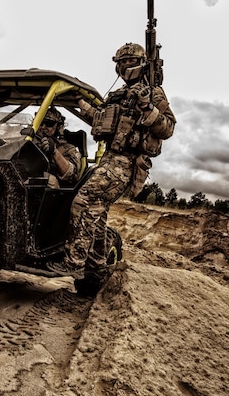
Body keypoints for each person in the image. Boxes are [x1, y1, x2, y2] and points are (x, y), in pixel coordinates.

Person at [47, 42, 176, 286]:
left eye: (130, 61)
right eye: (122, 62)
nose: (126, 66)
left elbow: (168, 128)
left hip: (126, 162)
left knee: (83, 202)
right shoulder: (118, 95)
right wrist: (79, 103)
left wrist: (148, 107)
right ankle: (95, 269)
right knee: (98, 215)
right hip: (109, 159)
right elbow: (99, 120)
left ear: (141, 63)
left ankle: (73, 263)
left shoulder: (153, 92)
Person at [34, 106, 82, 188]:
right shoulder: (28, 142)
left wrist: (54, 152)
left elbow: (72, 175)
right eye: (40, 122)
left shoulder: (68, 148)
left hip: (54, 194)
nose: (43, 127)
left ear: (58, 127)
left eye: (49, 124)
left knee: (51, 181)